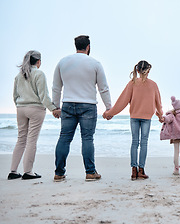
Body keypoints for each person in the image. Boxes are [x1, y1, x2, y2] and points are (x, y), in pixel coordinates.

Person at [52, 35, 111, 182]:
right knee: (87, 138)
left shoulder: (62, 62)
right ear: (88, 47)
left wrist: (55, 106)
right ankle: (90, 172)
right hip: (88, 105)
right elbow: (103, 88)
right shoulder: (95, 63)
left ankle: (59, 173)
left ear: (76, 46)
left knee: (64, 138)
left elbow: (56, 87)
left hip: (68, 104)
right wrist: (109, 108)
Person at [103, 60, 163, 180]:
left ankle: (134, 171)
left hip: (134, 117)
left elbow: (122, 101)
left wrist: (110, 113)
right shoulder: (153, 84)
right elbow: (158, 102)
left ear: (137, 70)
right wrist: (160, 115)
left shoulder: (132, 83)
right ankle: (141, 170)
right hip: (146, 118)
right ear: (148, 70)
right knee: (144, 142)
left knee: (134, 142)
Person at [9, 50, 61, 180]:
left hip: (21, 108)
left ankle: (13, 171)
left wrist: (20, 106)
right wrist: (53, 109)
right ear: (38, 61)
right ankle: (28, 172)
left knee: (21, 139)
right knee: (31, 140)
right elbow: (43, 96)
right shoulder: (39, 74)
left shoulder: (19, 76)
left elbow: (15, 96)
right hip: (35, 109)